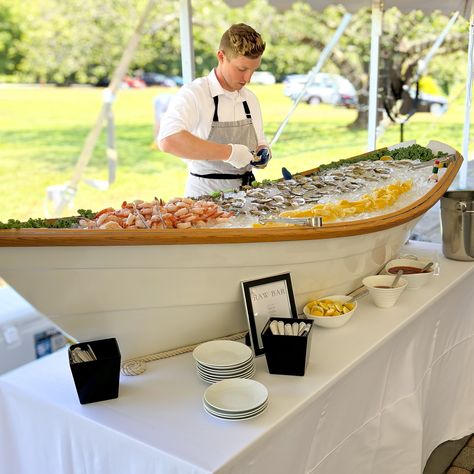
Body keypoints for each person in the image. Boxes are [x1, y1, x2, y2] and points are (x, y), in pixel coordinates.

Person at [158, 23, 271, 197]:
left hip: (247, 195)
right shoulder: (195, 93)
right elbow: (168, 139)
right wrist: (229, 153)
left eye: (253, 70)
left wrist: (263, 152)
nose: (248, 78)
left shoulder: (250, 99)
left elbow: (259, 142)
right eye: (242, 69)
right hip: (205, 197)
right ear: (221, 56)